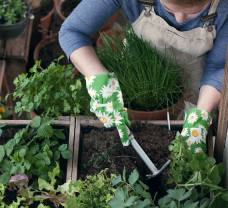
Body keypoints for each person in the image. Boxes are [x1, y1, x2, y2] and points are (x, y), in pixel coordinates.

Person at [59, 0, 228, 154]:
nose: (180, 19)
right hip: (138, 79)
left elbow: (218, 67)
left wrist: (201, 115)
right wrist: (98, 77)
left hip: (197, 86)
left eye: (194, 12)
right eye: (169, 9)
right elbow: (72, 32)